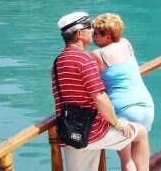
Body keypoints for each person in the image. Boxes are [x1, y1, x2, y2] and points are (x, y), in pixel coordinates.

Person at [52, 11, 150, 171]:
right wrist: (117, 123)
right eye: (88, 28)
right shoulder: (85, 59)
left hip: (70, 133)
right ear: (79, 34)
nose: (91, 31)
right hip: (94, 131)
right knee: (141, 134)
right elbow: (99, 96)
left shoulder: (58, 62)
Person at [90, 13, 155, 171]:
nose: (92, 36)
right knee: (140, 153)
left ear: (107, 36)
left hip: (125, 110)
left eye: (96, 33)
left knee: (127, 160)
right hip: (146, 107)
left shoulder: (97, 54)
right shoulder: (126, 44)